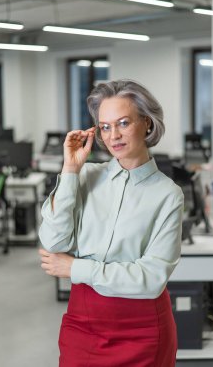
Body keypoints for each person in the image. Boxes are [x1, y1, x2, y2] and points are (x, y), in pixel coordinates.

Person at [38, 79, 184, 367]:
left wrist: (75, 267)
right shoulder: (85, 176)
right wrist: (70, 170)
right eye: (105, 126)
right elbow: (54, 242)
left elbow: (151, 278)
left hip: (142, 328)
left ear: (147, 124)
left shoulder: (168, 194)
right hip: (83, 321)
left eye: (123, 123)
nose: (113, 135)